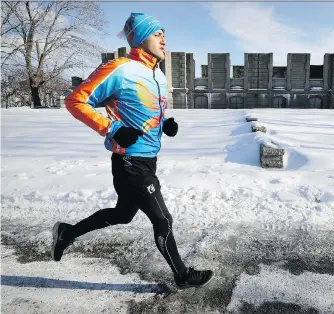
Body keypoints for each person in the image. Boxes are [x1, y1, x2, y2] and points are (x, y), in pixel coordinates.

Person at [52, 12, 213, 290]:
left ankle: (68, 232)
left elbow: (146, 111)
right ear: (140, 38)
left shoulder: (158, 75)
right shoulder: (120, 68)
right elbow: (76, 100)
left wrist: (165, 124)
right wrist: (111, 129)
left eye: (164, 33)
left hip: (148, 160)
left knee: (123, 215)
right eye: (156, 33)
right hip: (129, 161)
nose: (164, 38)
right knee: (163, 219)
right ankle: (182, 275)